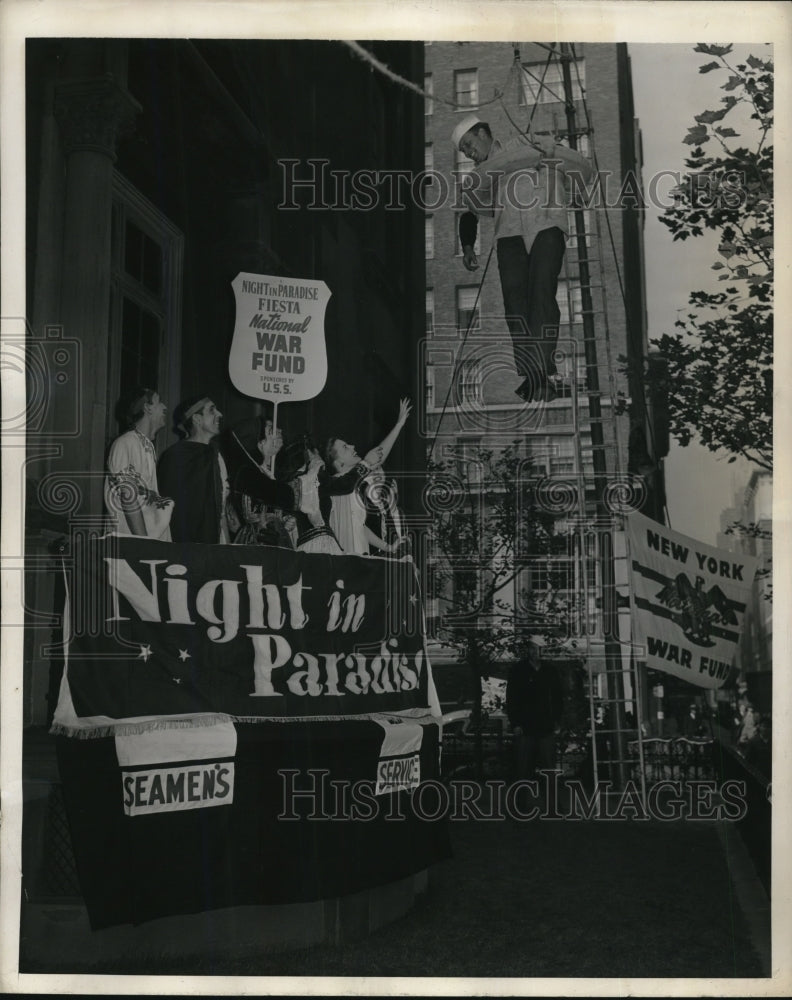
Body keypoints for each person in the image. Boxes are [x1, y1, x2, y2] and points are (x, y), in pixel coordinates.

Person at [451, 114, 594, 403]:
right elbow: (469, 212)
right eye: (463, 150)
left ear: (482, 133)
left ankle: (541, 370)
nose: (468, 153)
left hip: (546, 223)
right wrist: (467, 246)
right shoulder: (483, 175)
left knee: (541, 292)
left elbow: (557, 155)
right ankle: (533, 373)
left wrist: (551, 153)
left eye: (468, 144)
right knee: (515, 302)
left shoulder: (521, 143)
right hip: (509, 235)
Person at [325, 397, 412, 555]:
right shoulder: (336, 486)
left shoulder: (358, 482)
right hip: (345, 558)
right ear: (339, 463)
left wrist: (399, 425)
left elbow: (360, 527)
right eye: (345, 447)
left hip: (364, 555)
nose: (352, 446)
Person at [157, 395, 230, 544]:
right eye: (212, 410)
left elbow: (220, 509)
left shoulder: (216, 455)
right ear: (197, 419)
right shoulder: (175, 456)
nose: (220, 414)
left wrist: (227, 545)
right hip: (184, 546)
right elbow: (167, 510)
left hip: (215, 542)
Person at [104, 386, 173, 539]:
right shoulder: (125, 443)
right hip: (132, 545)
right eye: (159, 402)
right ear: (147, 408)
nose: (165, 407)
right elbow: (129, 498)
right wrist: (144, 543)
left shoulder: (147, 446)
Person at [506, 639, 564, 778]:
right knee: (523, 769)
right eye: (533, 648)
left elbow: (557, 698)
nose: (536, 652)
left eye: (539, 648)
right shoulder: (518, 670)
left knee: (549, 767)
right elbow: (512, 698)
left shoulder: (550, 671)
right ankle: (523, 792)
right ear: (528, 649)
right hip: (525, 728)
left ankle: (550, 792)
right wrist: (515, 723)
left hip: (546, 727)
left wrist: (557, 721)